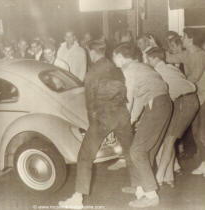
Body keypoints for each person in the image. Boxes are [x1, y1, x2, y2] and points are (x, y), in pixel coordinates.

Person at [58, 40, 133, 209]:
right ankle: (141, 189)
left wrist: (93, 127)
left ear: (91, 52)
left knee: (85, 157)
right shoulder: (116, 68)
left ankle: (77, 199)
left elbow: (90, 102)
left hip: (103, 117)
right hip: (122, 114)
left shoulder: (92, 72)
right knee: (131, 153)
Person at [113, 43, 172, 208]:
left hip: (157, 105)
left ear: (122, 56)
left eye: (114, 56)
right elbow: (139, 100)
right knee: (147, 151)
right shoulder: (141, 67)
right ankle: (141, 189)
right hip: (163, 104)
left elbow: (129, 99)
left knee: (137, 151)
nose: (113, 60)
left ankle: (151, 196)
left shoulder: (129, 69)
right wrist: (130, 121)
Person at [146, 47, 199, 187]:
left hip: (185, 102)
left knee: (169, 140)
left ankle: (160, 177)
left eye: (148, 59)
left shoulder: (160, 72)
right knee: (168, 138)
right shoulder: (168, 67)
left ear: (155, 59)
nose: (147, 62)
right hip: (186, 100)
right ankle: (169, 177)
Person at [166, 28, 205, 176]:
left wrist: (180, 86)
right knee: (196, 132)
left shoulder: (200, 55)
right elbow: (170, 58)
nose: (181, 38)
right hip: (196, 97)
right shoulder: (187, 53)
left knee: (201, 133)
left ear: (190, 39)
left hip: (203, 97)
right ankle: (203, 161)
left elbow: (194, 77)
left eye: (184, 36)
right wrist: (154, 45)